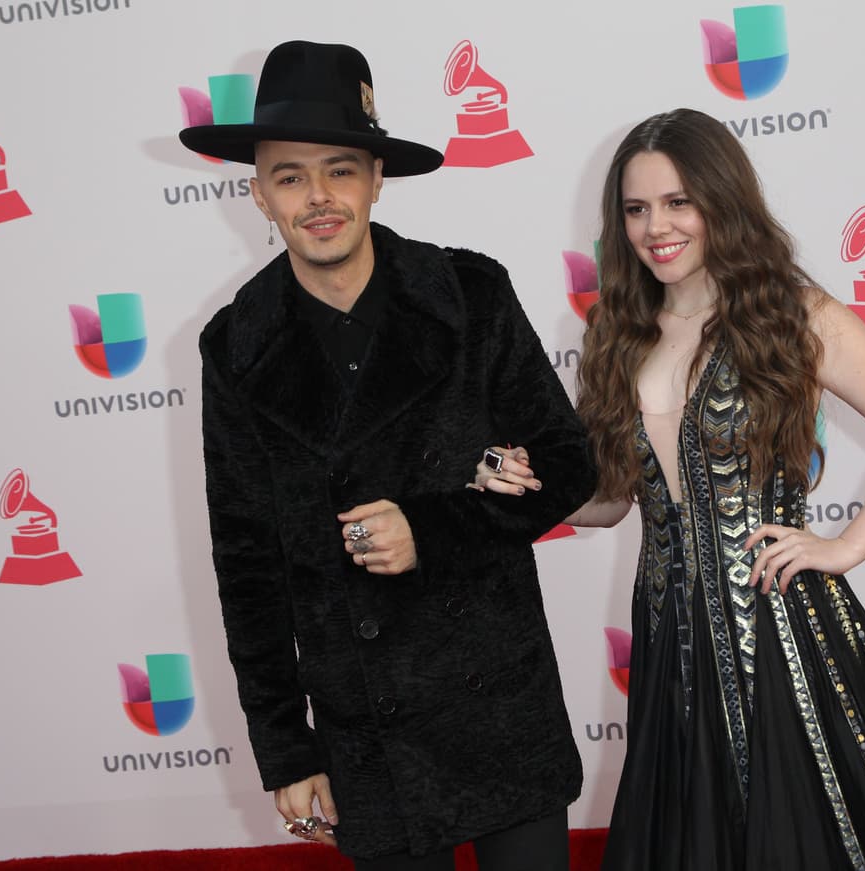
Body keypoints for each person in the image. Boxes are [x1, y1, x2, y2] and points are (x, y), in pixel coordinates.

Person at [473, 108, 865, 871]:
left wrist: (845, 546)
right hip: (668, 630)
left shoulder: (796, 315)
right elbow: (611, 500)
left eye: (679, 202)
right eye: (637, 209)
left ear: (721, 199)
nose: (656, 227)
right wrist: (528, 486)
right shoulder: (617, 331)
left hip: (783, 627)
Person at [181, 42, 596, 871]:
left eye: (340, 169)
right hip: (367, 730)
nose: (319, 197)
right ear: (258, 193)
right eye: (290, 176)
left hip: (499, 701)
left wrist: (432, 530)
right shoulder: (236, 346)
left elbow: (568, 462)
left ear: (377, 177)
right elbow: (247, 561)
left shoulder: (470, 295)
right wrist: (285, 749)